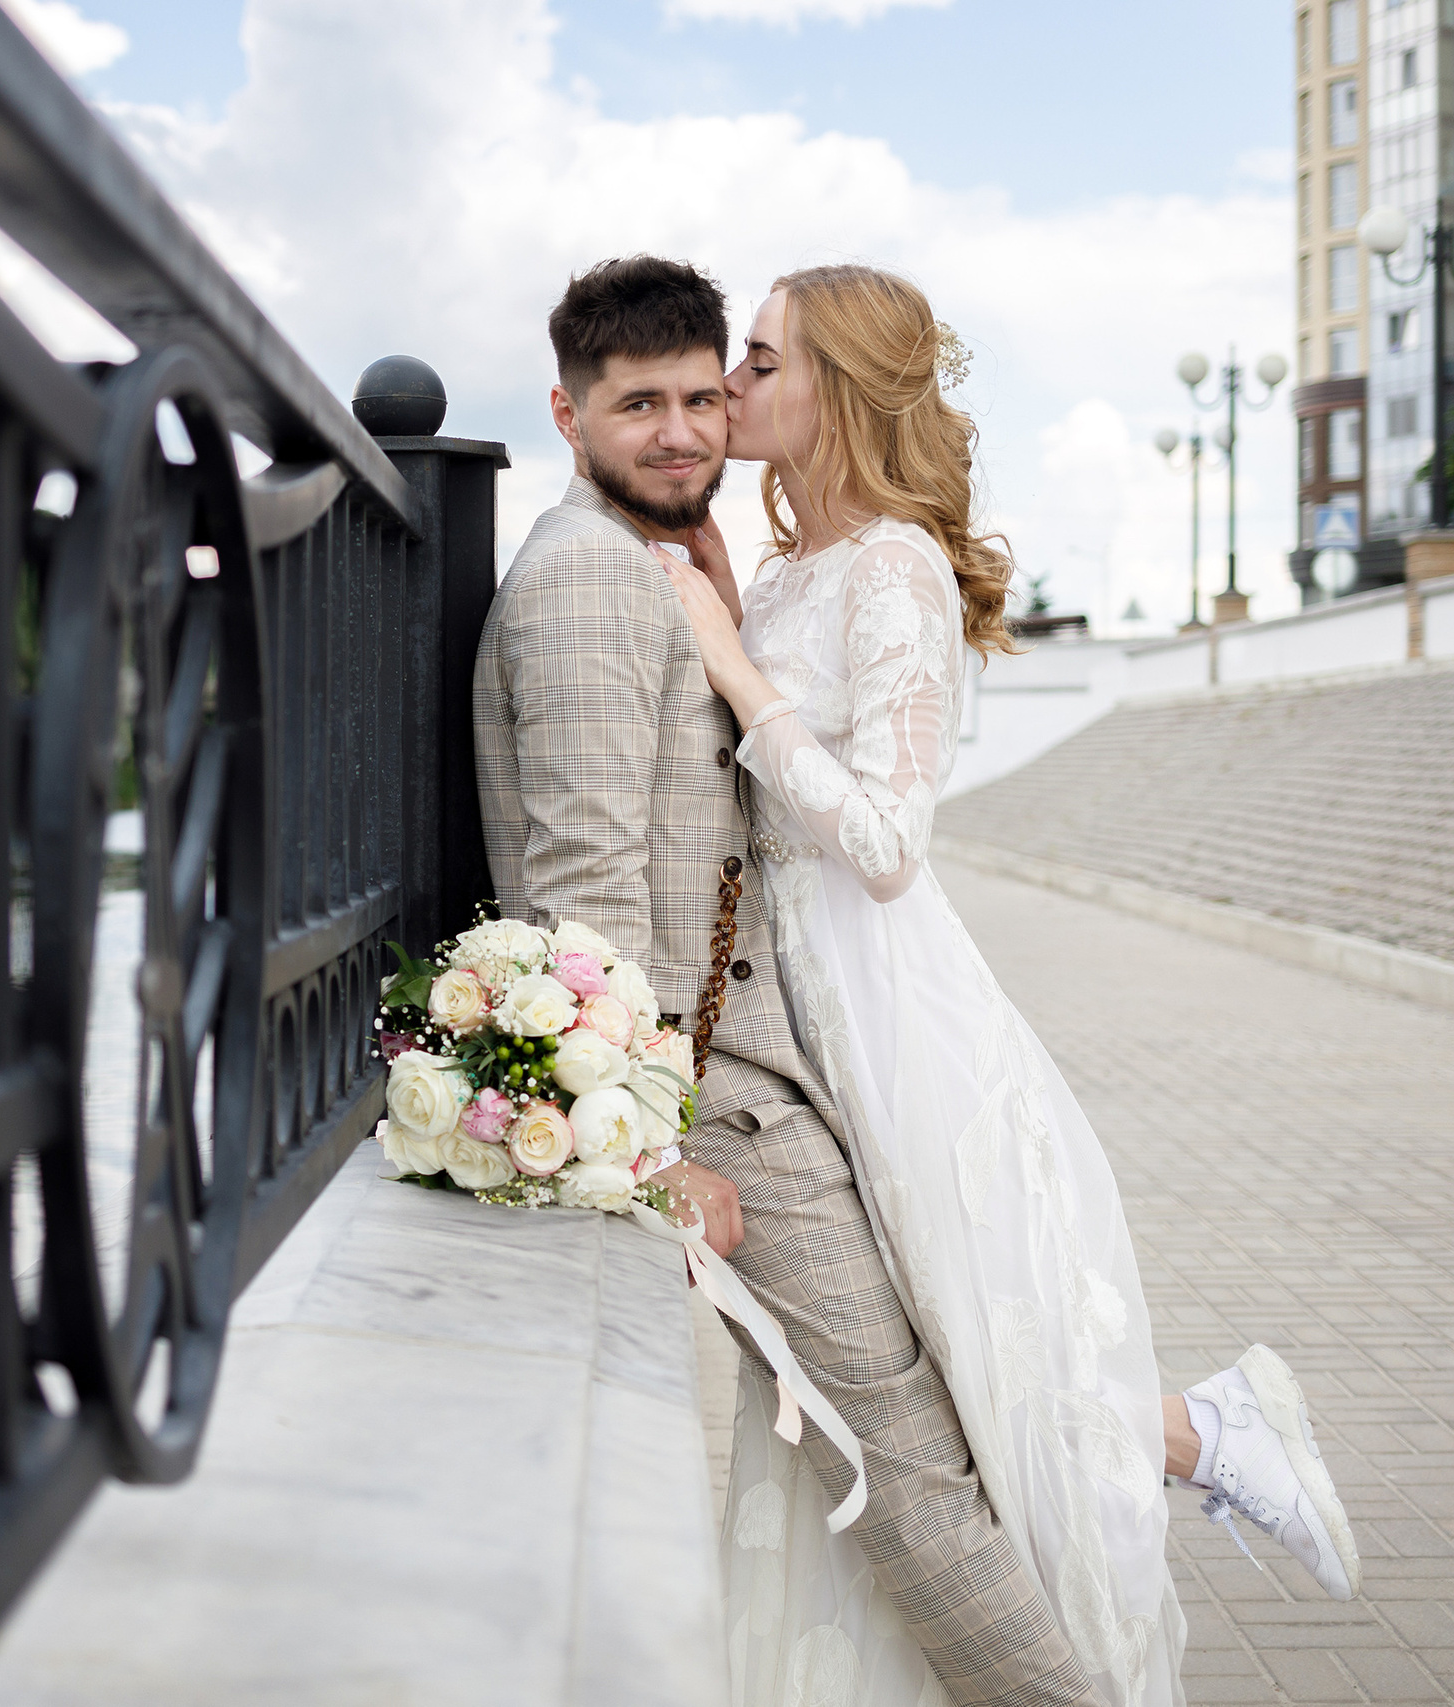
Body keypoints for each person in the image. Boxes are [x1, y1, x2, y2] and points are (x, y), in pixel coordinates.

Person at [654, 262, 1364, 1706]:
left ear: (837, 396)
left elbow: (887, 842)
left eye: (763, 360)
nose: (731, 383)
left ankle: (1206, 1444)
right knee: (907, 1378)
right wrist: (740, 618)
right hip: (797, 1009)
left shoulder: (900, 566)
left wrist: (733, 667)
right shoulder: (790, 565)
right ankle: (1199, 1433)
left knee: (976, 1351)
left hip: (888, 1003)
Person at [473, 255, 1100, 1707]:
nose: (692, 427)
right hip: (736, 1102)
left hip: (811, 1050)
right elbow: (585, 898)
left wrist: (729, 625)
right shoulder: (589, 586)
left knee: (939, 1409)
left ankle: (1188, 1444)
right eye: (646, 406)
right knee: (916, 1455)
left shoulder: (703, 571)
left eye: (718, 387)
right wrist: (651, 1148)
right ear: (567, 415)